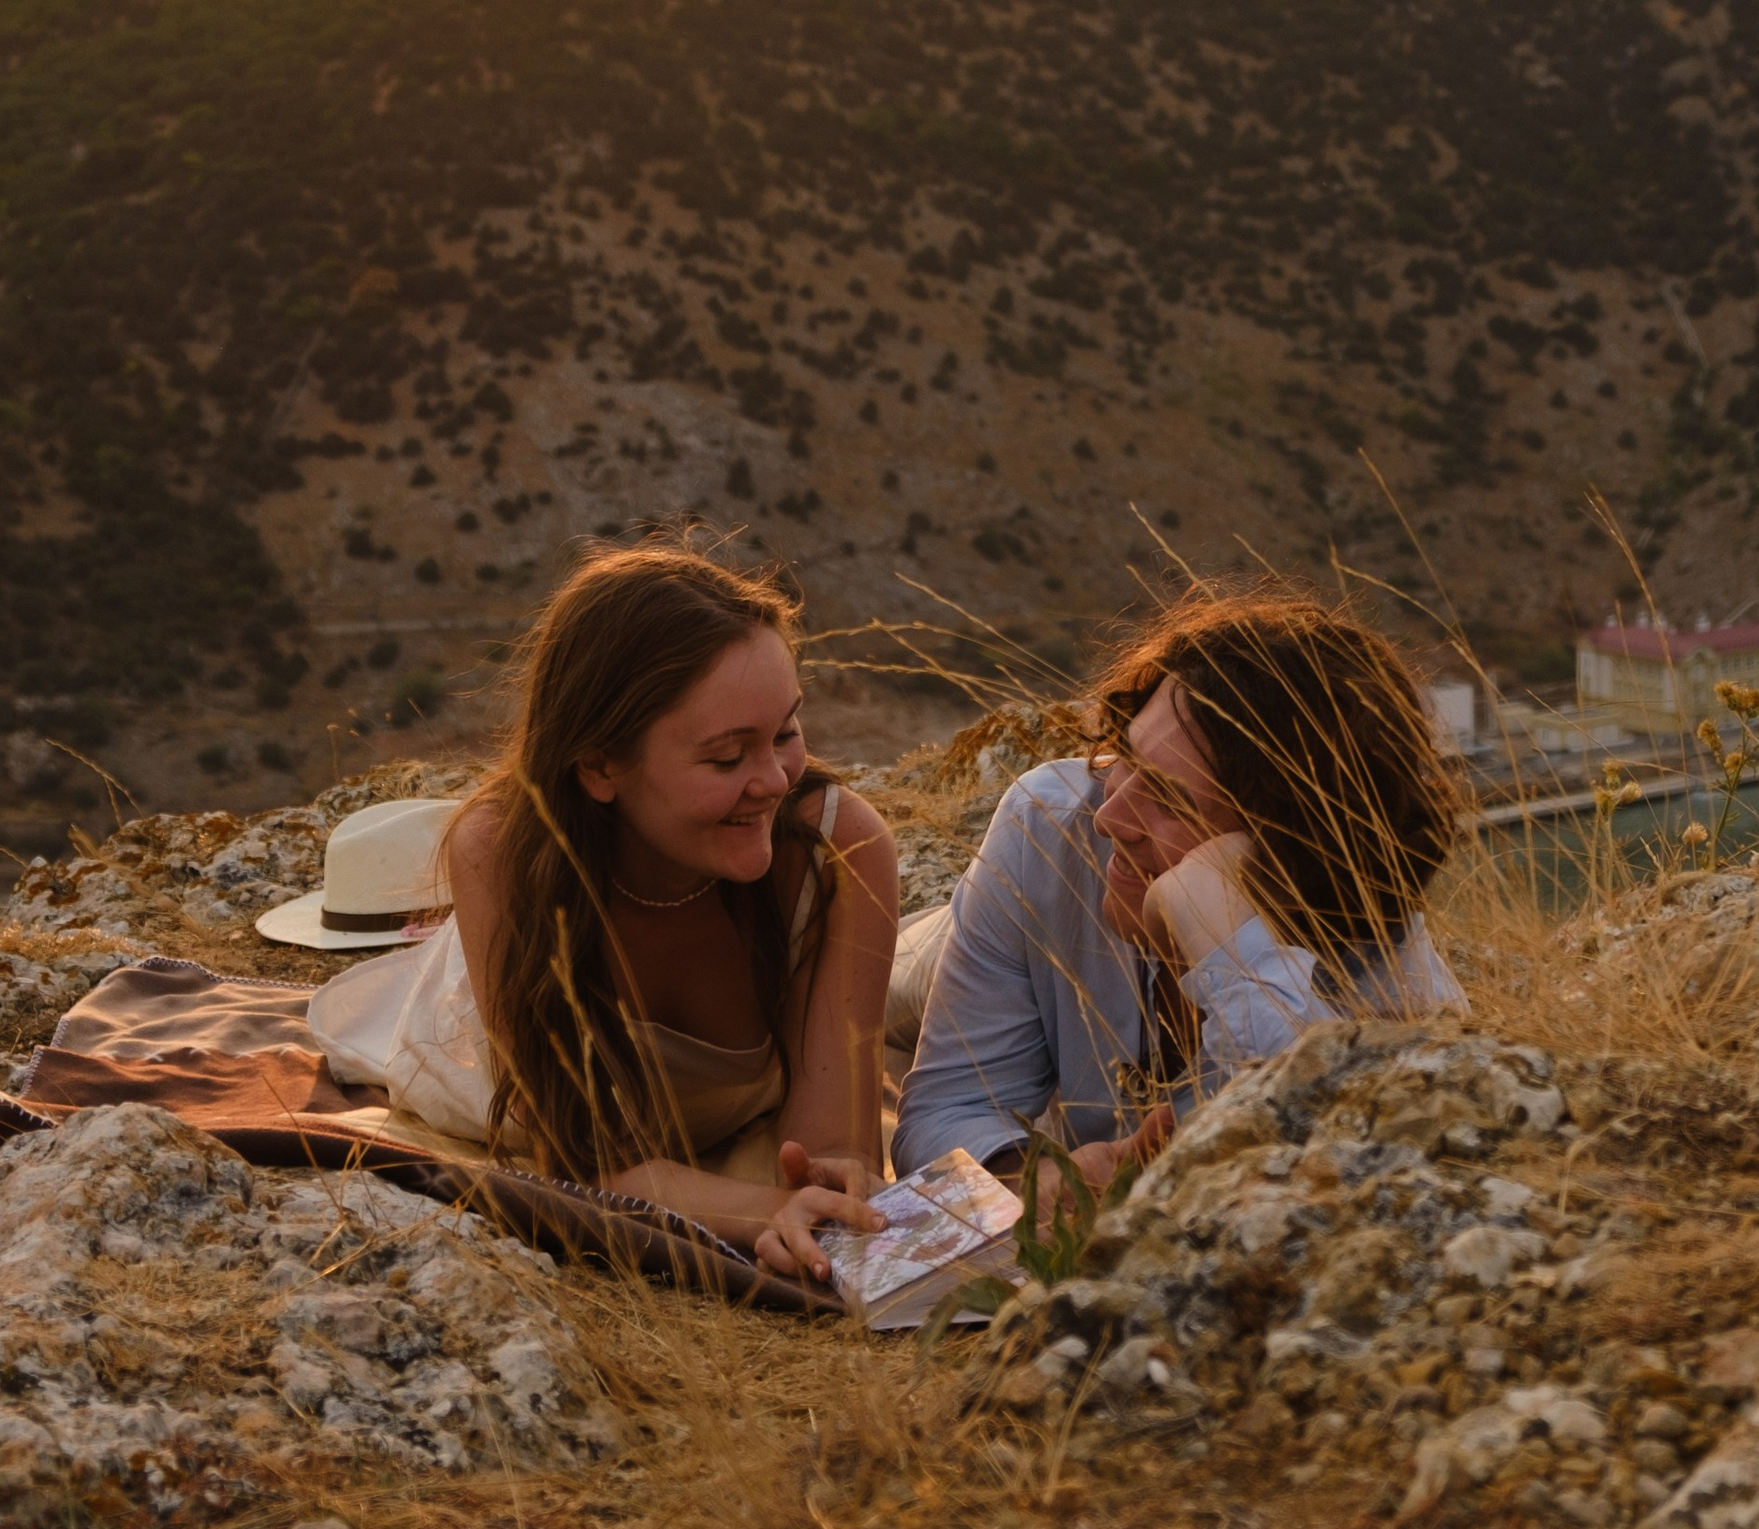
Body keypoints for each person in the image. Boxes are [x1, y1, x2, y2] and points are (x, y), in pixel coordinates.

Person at [306, 543, 898, 1286]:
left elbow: (827, 1161)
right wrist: (760, 1215)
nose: (774, 779)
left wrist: (820, 1197)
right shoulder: (504, 855)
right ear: (599, 767)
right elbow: (589, 1163)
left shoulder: (839, 849)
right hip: (474, 1071)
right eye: (725, 759)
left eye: (784, 733)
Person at [892, 589, 1462, 1203]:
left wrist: (1233, 949)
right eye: (1125, 757)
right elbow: (946, 1104)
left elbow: (1333, 1149)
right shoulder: (1056, 823)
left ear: (1286, 843)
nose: (1110, 817)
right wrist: (1040, 1186)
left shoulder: (1402, 1003)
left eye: (1169, 800)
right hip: (914, 964)